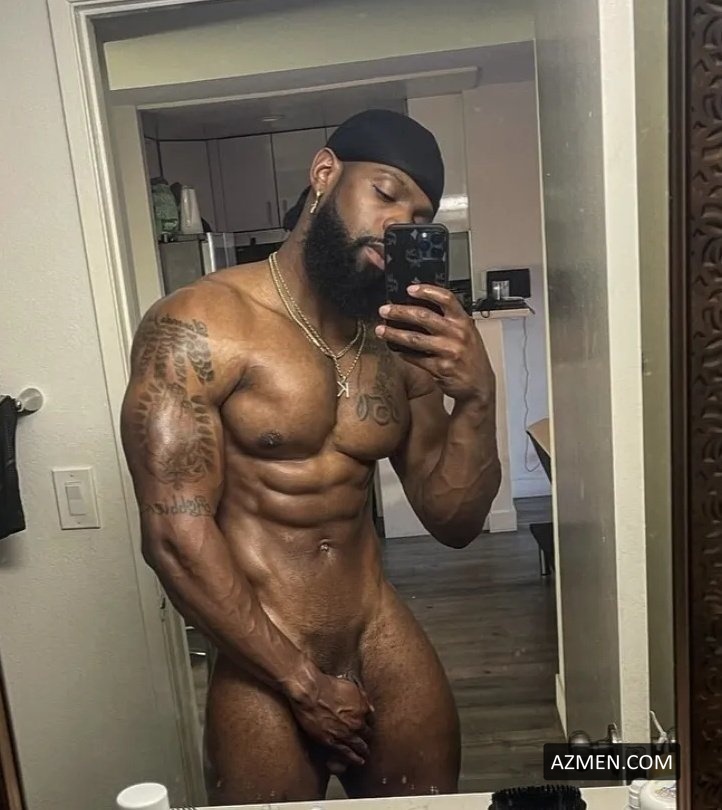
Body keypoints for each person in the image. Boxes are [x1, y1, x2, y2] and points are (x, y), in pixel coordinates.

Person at [121, 109, 501, 805]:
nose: (397, 224)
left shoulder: (396, 343)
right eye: (385, 194)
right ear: (325, 174)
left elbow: (454, 521)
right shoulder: (199, 323)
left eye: (418, 217)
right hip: (264, 652)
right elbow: (174, 535)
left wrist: (477, 400)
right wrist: (301, 682)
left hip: (378, 630)